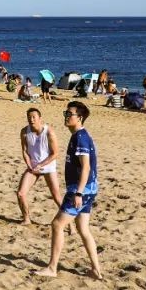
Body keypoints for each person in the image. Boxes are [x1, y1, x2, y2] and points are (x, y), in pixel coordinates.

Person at [35, 101, 103, 280]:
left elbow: (86, 167)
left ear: (79, 118)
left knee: (57, 225)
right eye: (65, 113)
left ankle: (52, 267)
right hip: (89, 189)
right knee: (83, 228)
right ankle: (96, 269)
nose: (66, 117)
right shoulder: (80, 136)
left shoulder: (80, 137)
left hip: (80, 190)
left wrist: (79, 193)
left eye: (69, 114)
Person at [16, 108, 63, 224]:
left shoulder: (49, 132)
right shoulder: (24, 132)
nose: (31, 120)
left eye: (34, 117)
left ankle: (70, 225)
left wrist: (41, 165)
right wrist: (29, 164)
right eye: (29, 117)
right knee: (21, 193)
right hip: (33, 167)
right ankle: (26, 219)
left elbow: (55, 153)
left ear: (39, 118)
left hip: (48, 166)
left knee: (57, 197)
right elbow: (25, 151)